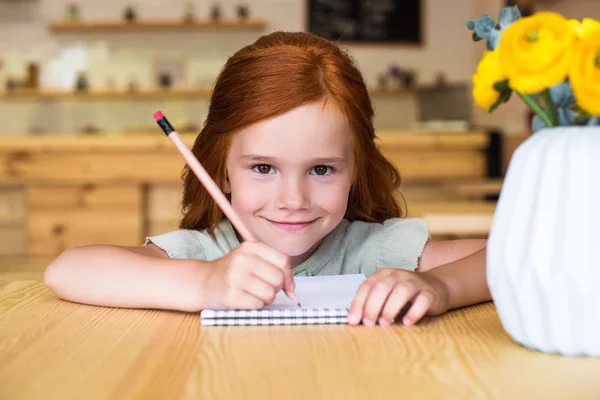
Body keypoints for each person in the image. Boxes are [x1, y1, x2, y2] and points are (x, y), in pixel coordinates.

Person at [44, 32, 490, 326]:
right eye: (263, 168)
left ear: (355, 171)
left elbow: (509, 259)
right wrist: (205, 283)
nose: (292, 199)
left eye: (321, 169)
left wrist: (440, 287)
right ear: (222, 168)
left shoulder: (374, 251)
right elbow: (67, 270)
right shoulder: (206, 253)